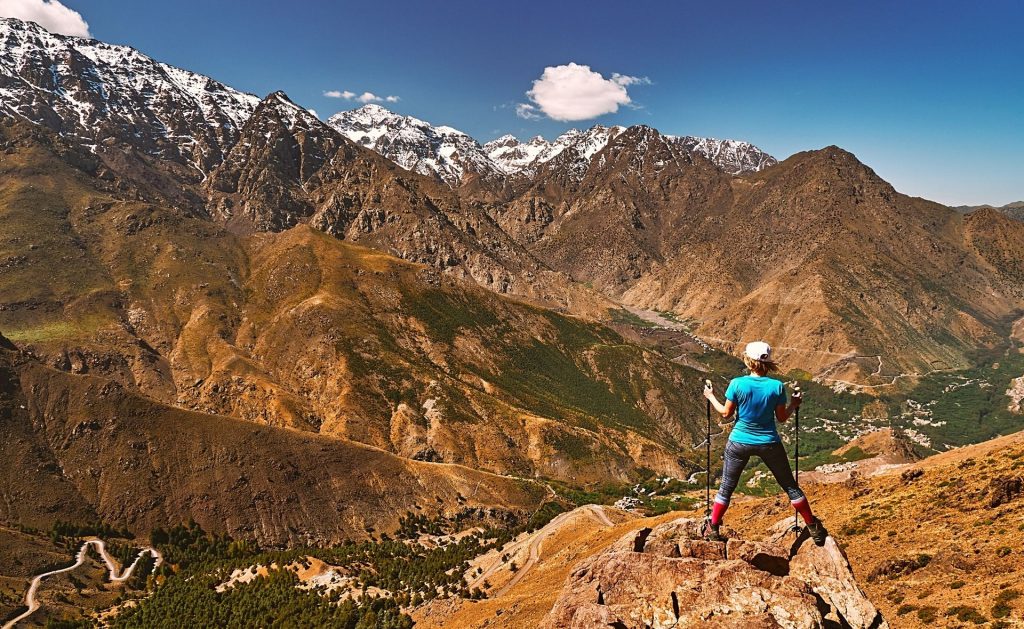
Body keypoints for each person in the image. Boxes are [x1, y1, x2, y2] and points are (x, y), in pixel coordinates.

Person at [702, 341, 828, 546]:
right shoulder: (776, 387)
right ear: (767, 363)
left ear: (748, 360)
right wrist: (794, 405)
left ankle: (713, 528)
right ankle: (813, 527)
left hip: (739, 441)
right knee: (790, 487)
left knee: (726, 487)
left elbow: (726, 413)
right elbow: (781, 418)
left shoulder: (737, 384)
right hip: (769, 442)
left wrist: (710, 397)